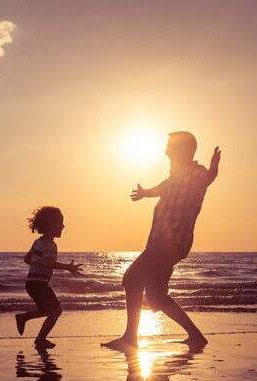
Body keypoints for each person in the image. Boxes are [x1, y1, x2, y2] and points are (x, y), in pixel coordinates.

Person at [102, 131, 221, 350]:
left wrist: (213, 169)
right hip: (162, 243)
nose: (166, 150)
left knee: (131, 278)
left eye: (170, 146)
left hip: (171, 242)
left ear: (185, 150)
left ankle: (130, 337)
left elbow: (206, 180)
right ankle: (196, 336)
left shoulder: (196, 172)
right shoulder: (172, 177)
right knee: (156, 297)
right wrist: (144, 193)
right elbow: (159, 189)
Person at [15, 206, 83, 348]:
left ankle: (23, 317)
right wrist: (68, 267)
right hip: (39, 284)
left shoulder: (38, 241)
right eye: (61, 223)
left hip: (31, 283)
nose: (63, 226)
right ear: (52, 226)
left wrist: (38, 261)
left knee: (47, 310)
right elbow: (48, 263)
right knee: (57, 310)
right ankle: (40, 339)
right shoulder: (51, 245)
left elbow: (27, 259)